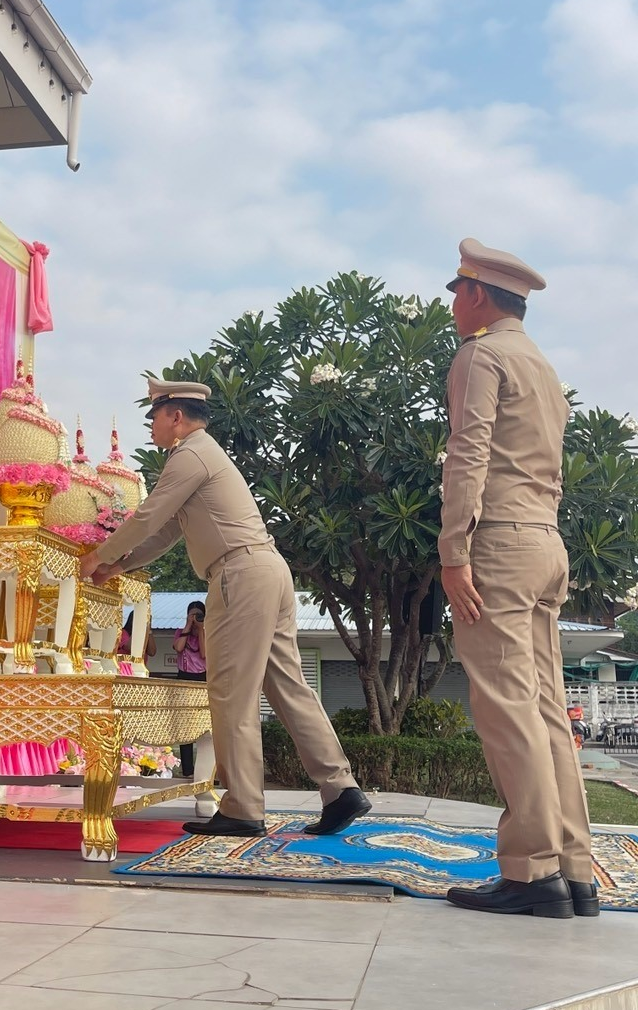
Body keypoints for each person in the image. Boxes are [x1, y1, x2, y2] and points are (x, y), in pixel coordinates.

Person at [80, 379, 370, 837]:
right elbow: (168, 531)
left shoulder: (190, 454)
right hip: (265, 570)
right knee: (289, 687)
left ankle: (242, 808)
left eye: (154, 416)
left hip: (238, 575)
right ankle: (340, 788)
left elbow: (148, 516)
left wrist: (99, 555)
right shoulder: (203, 456)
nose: (152, 426)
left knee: (232, 693)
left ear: (176, 416)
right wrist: (119, 565)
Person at [439, 239, 596, 919]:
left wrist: (453, 552)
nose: (451, 304)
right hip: (544, 543)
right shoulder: (542, 366)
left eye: (456, 291)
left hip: (497, 545)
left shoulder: (482, 355)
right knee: (544, 712)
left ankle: (531, 874)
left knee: (508, 713)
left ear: (478, 296)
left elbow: (467, 453)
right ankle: (574, 870)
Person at [173, 599, 206, 776]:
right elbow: (178, 648)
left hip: (202, 678)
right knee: (185, 724)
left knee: (202, 724)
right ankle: (188, 770)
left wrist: (200, 629)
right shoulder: (180, 632)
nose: (195, 618)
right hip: (183, 678)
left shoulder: (207, 632)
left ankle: (204, 768)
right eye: (192, 614)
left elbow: (204, 653)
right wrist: (187, 626)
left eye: (198, 615)